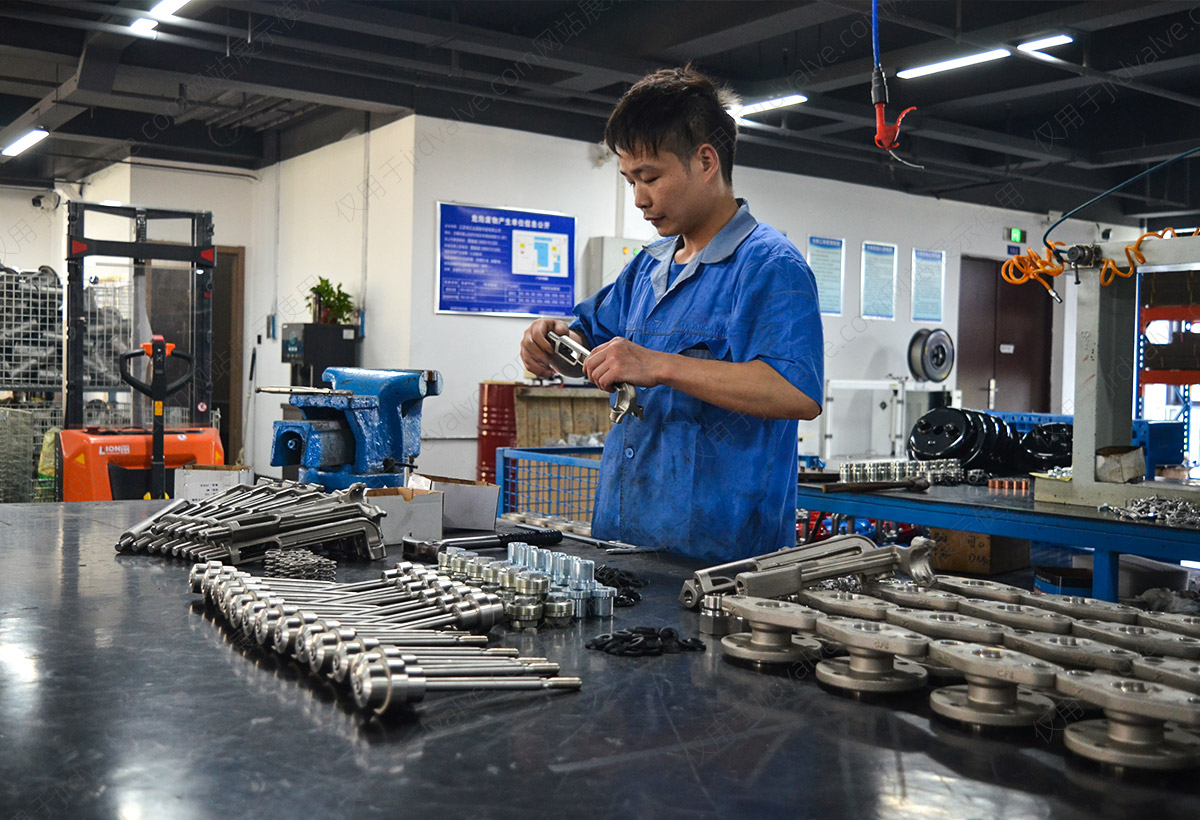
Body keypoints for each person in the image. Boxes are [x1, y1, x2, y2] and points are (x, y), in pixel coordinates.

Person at [520, 66, 824, 561]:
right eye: (629, 181)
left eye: (650, 178)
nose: (640, 199)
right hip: (622, 541)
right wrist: (551, 342)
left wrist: (659, 365)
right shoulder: (647, 267)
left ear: (705, 161)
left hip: (721, 563)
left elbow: (796, 391)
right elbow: (587, 343)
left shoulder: (770, 266)